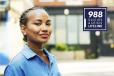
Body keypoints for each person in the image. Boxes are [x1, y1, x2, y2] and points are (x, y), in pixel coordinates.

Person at [4, 6, 61, 76]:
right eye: (37, 23)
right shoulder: (16, 65)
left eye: (48, 24)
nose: (45, 28)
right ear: (24, 29)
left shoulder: (52, 59)